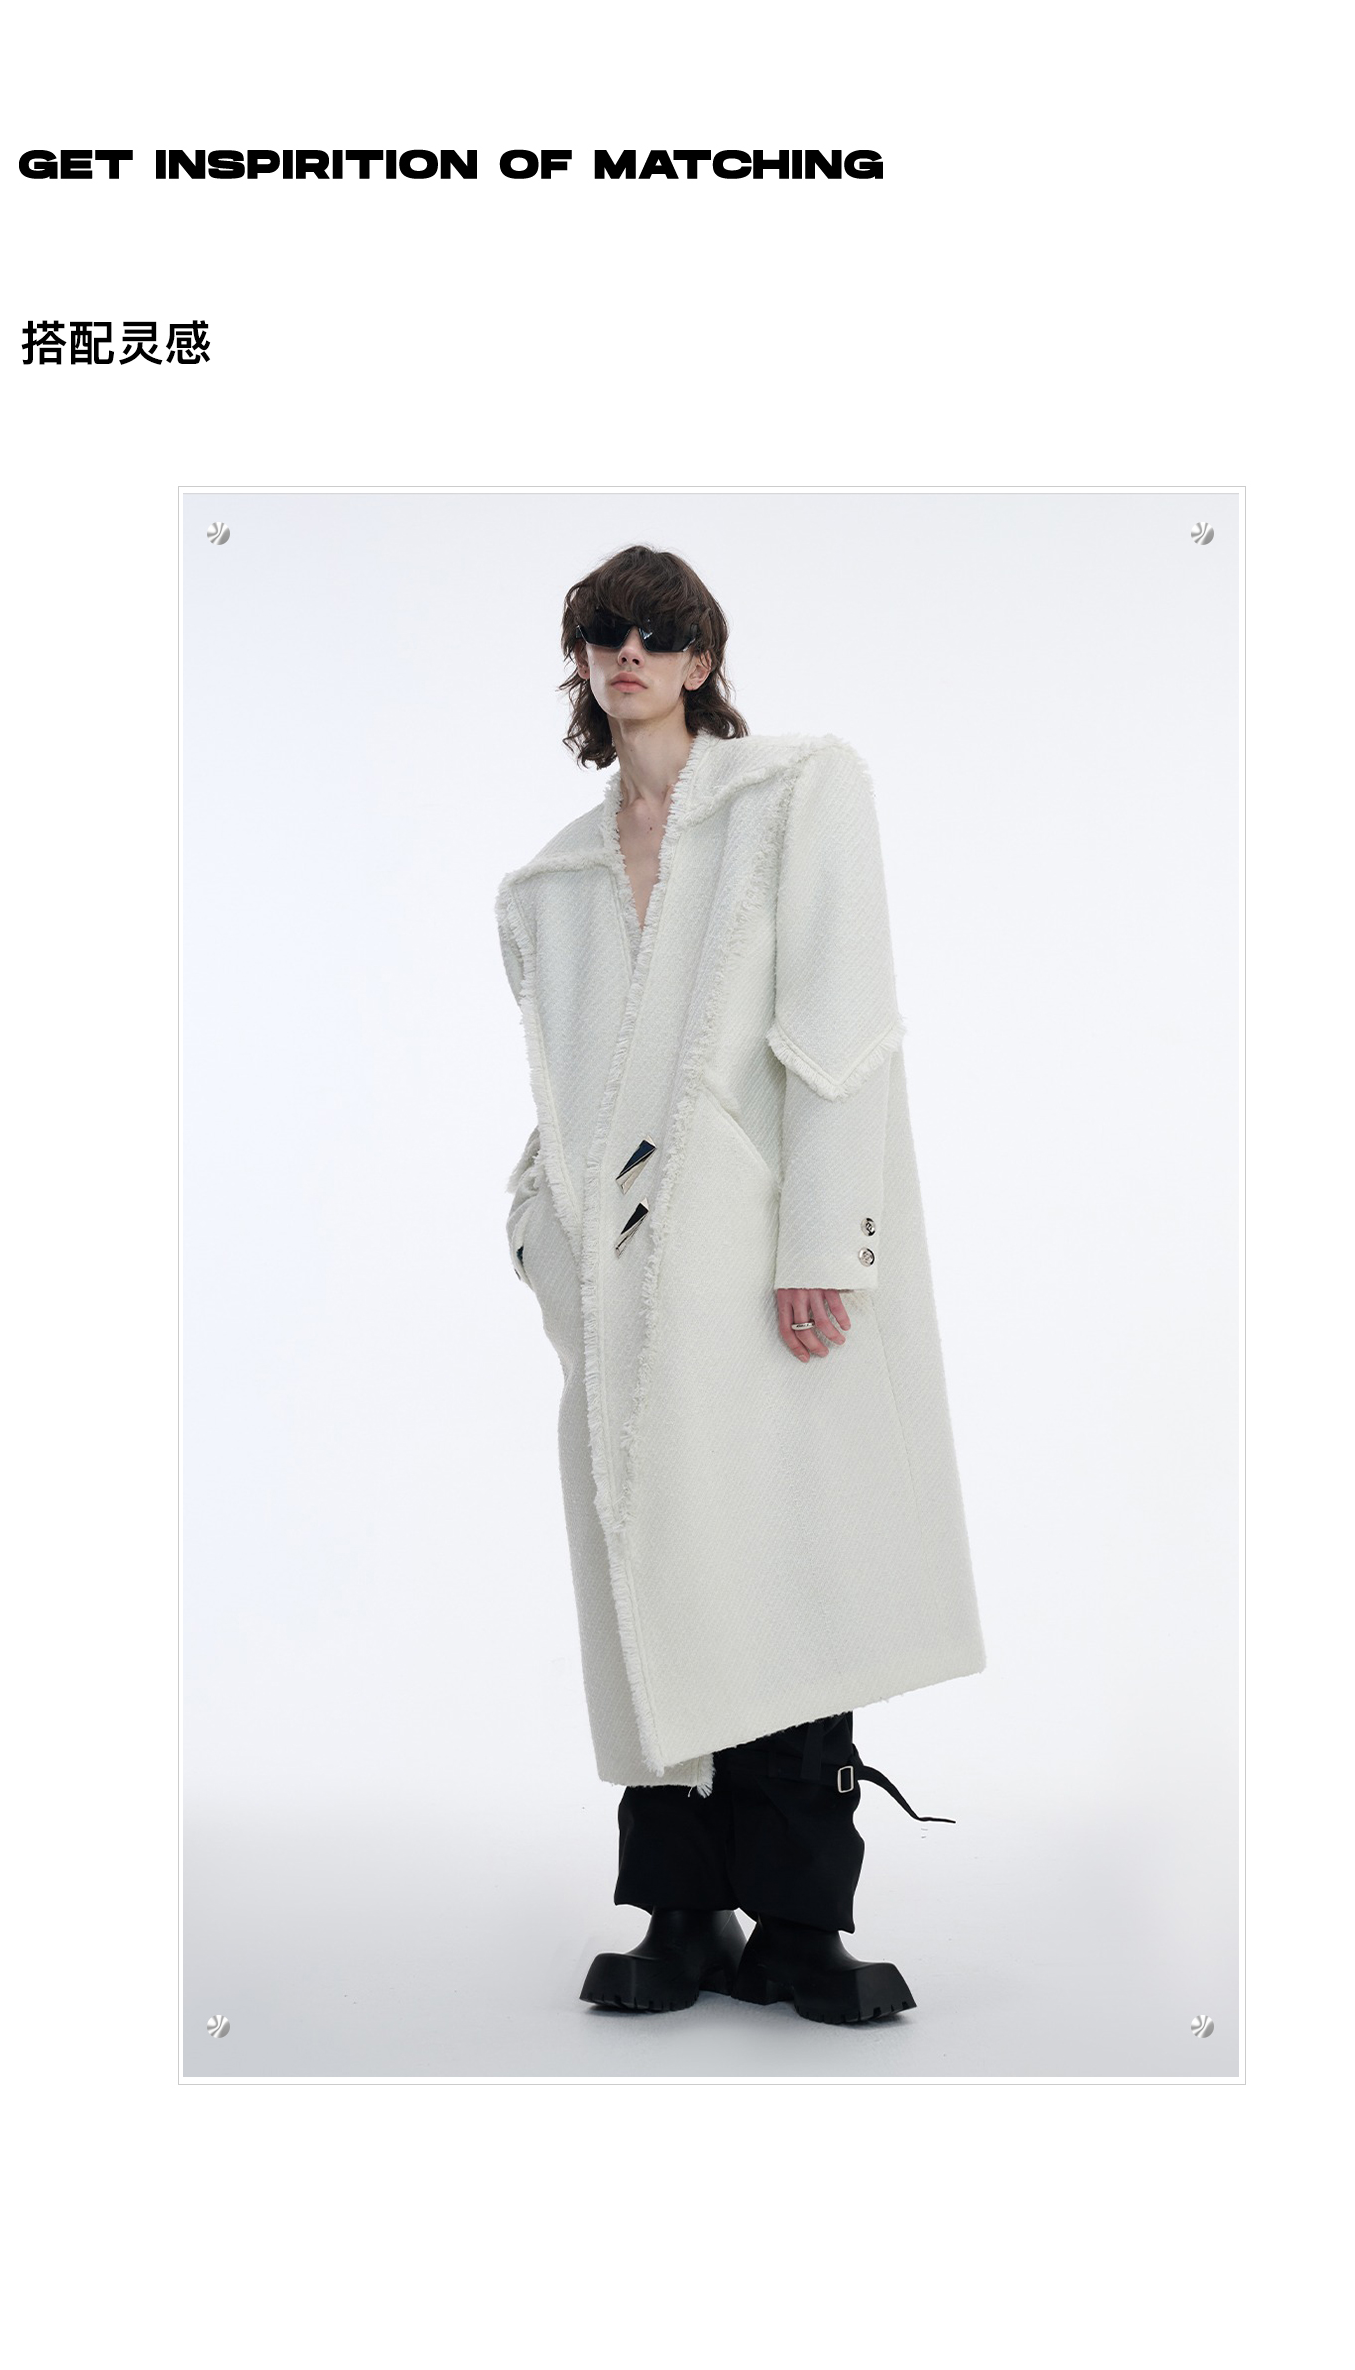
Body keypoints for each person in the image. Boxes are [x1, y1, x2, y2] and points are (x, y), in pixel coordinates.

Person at [495, 544, 985, 2025]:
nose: (628, 655)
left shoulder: (796, 792)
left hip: (761, 1265)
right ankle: (680, 1910)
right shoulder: (549, 883)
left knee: (785, 1574)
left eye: (657, 633)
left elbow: (842, 1024)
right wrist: (539, 1237)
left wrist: (823, 1241)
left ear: (702, 658)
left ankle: (802, 1921)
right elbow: (560, 1093)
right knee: (648, 1575)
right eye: (603, 635)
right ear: (582, 663)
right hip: (620, 1289)